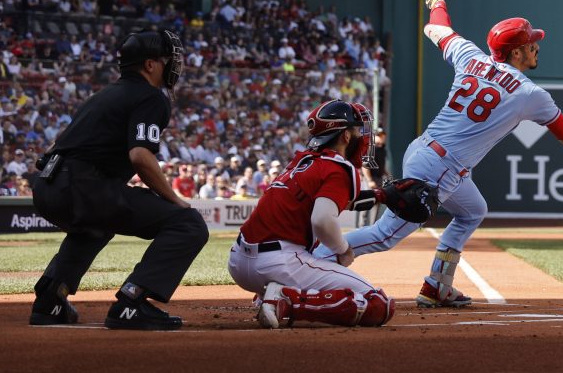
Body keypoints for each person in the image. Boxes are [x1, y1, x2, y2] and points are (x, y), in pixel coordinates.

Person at [315, 0, 563, 308]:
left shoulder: (469, 55)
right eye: (530, 44)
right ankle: (310, 264)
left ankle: (437, 285)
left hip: (423, 150)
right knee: (385, 235)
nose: (536, 46)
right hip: (442, 167)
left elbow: (436, 30)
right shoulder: (530, 93)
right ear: (516, 52)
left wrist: (438, 5)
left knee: (473, 210)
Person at [28, 30, 209, 330]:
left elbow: (54, 147)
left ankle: (50, 300)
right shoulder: (152, 97)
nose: (173, 66)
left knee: (97, 225)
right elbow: (140, 155)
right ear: (150, 65)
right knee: (188, 223)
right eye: (167, 60)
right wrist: (173, 198)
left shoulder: (103, 94)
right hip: (83, 185)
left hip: (48, 185)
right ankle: (132, 302)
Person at [229, 100, 395, 329]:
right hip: (278, 261)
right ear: (345, 136)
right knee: (377, 304)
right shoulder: (338, 167)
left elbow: (326, 202)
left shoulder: (301, 161)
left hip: (239, 260)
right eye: (356, 130)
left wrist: (380, 195)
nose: (360, 137)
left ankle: (271, 292)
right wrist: (344, 250)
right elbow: (322, 220)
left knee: (316, 257)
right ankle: (285, 300)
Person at [356, 127, 390, 227]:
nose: (381, 138)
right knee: (367, 202)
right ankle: (361, 228)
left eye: (383, 136)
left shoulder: (382, 148)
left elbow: (381, 165)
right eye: (379, 135)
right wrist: (370, 180)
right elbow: (365, 166)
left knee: (377, 202)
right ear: (374, 136)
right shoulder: (371, 148)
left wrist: (387, 173)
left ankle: (372, 227)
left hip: (379, 178)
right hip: (371, 179)